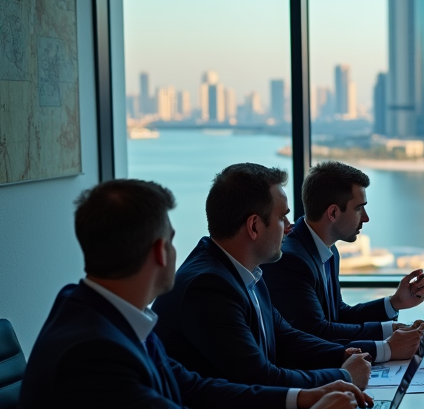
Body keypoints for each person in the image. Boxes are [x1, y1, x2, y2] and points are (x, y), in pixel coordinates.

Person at [3, 179, 371, 409]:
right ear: (160, 251)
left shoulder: (107, 313)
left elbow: (194, 388)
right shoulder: (90, 347)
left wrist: (303, 398)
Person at [154, 163, 373, 389]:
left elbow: (285, 337)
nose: (289, 227)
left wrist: (343, 354)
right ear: (254, 226)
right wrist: (343, 377)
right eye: (282, 218)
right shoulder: (209, 287)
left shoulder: (246, 272)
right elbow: (259, 378)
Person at [262, 161, 424, 362]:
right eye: (359, 208)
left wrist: (394, 304)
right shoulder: (291, 260)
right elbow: (316, 331)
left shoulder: (327, 248)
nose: (366, 218)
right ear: (333, 213)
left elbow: (338, 314)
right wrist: (386, 348)